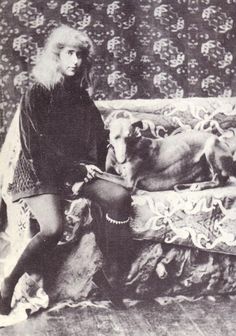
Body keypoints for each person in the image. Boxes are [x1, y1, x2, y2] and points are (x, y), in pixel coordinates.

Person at [0, 25, 132, 315]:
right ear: (56, 56)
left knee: (120, 196)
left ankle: (108, 274)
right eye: (70, 54)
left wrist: (106, 153)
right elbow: (36, 148)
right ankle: (8, 283)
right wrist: (74, 170)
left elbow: (98, 136)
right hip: (39, 171)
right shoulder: (36, 93)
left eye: (81, 56)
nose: (76, 61)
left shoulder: (80, 96)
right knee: (53, 228)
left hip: (75, 171)